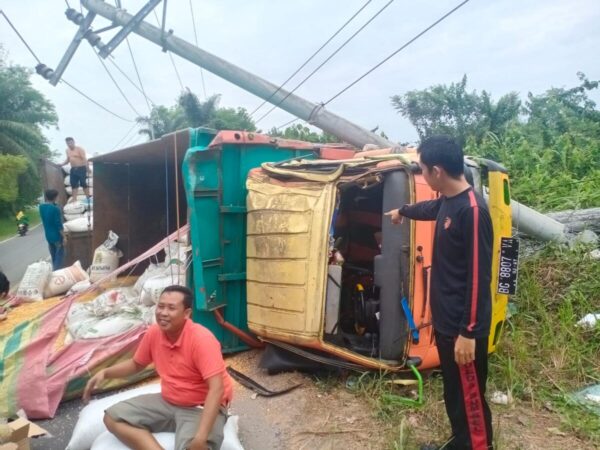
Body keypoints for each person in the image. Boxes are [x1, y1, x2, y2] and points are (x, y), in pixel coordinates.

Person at [385, 135, 494, 450]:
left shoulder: (472, 212)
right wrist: (403, 211)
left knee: (470, 397)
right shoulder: (449, 200)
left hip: (464, 329)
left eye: (422, 169)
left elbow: (478, 277)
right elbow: (432, 208)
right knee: (455, 392)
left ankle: (477, 445)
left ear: (436, 171)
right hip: (447, 324)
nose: (422, 174)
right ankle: (460, 442)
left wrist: (469, 333)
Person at [83, 285, 233, 450]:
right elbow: (136, 364)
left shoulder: (201, 339)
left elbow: (216, 389)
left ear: (187, 314)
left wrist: (201, 437)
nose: (163, 312)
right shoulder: (154, 333)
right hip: (169, 401)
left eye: (171, 308)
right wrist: (105, 373)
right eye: (160, 306)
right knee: (113, 418)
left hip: (200, 406)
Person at [39, 189, 65, 270]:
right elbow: (58, 225)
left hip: (48, 236)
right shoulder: (55, 209)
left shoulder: (41, 207)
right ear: (54, 197)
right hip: (56, 236)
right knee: (59, 257)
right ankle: (56, 272)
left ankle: (54, 272)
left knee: (53, 255)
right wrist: (64, 237)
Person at [61, 137, 91, 202]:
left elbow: (84, 159)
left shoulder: (79, 149)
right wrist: (61, 164)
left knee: (83, 183)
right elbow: (68, 160)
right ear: (66, 144)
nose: (69, 144)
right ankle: (74, 199)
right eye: (68, 143)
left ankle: (88, 198)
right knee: (73, 184)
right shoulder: (67, 150)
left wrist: (88, 168)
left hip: (81, 168)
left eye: (71, 142)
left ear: (74, 142)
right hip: (73, 169)